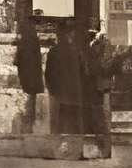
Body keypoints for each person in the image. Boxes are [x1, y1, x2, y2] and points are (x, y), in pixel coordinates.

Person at [45, 22, 84, 155]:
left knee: (61, 122)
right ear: (70, 34)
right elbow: (84, 72)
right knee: (76, 121)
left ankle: (62, 148)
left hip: (60, 93)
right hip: (75, 92)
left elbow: (48, 73)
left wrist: (52, 90)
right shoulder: (77, 51)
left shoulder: (53, 51)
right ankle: (77, 149)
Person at [83, 26, 115, 160]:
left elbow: (103, 65)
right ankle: (101, 148)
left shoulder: (102, 45)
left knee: (102, 118)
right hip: (97, 86)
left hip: (101, 86)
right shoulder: (95, 46)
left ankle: (105, 150)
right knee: (99, 118)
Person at [16, 10, 47, 139]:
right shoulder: (30, 37)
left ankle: (27, 126)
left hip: (29, 75)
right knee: (29, 101)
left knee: (29, 101)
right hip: (30, 75)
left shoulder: (27, 36)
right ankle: (27, 127)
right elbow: (28, 59)